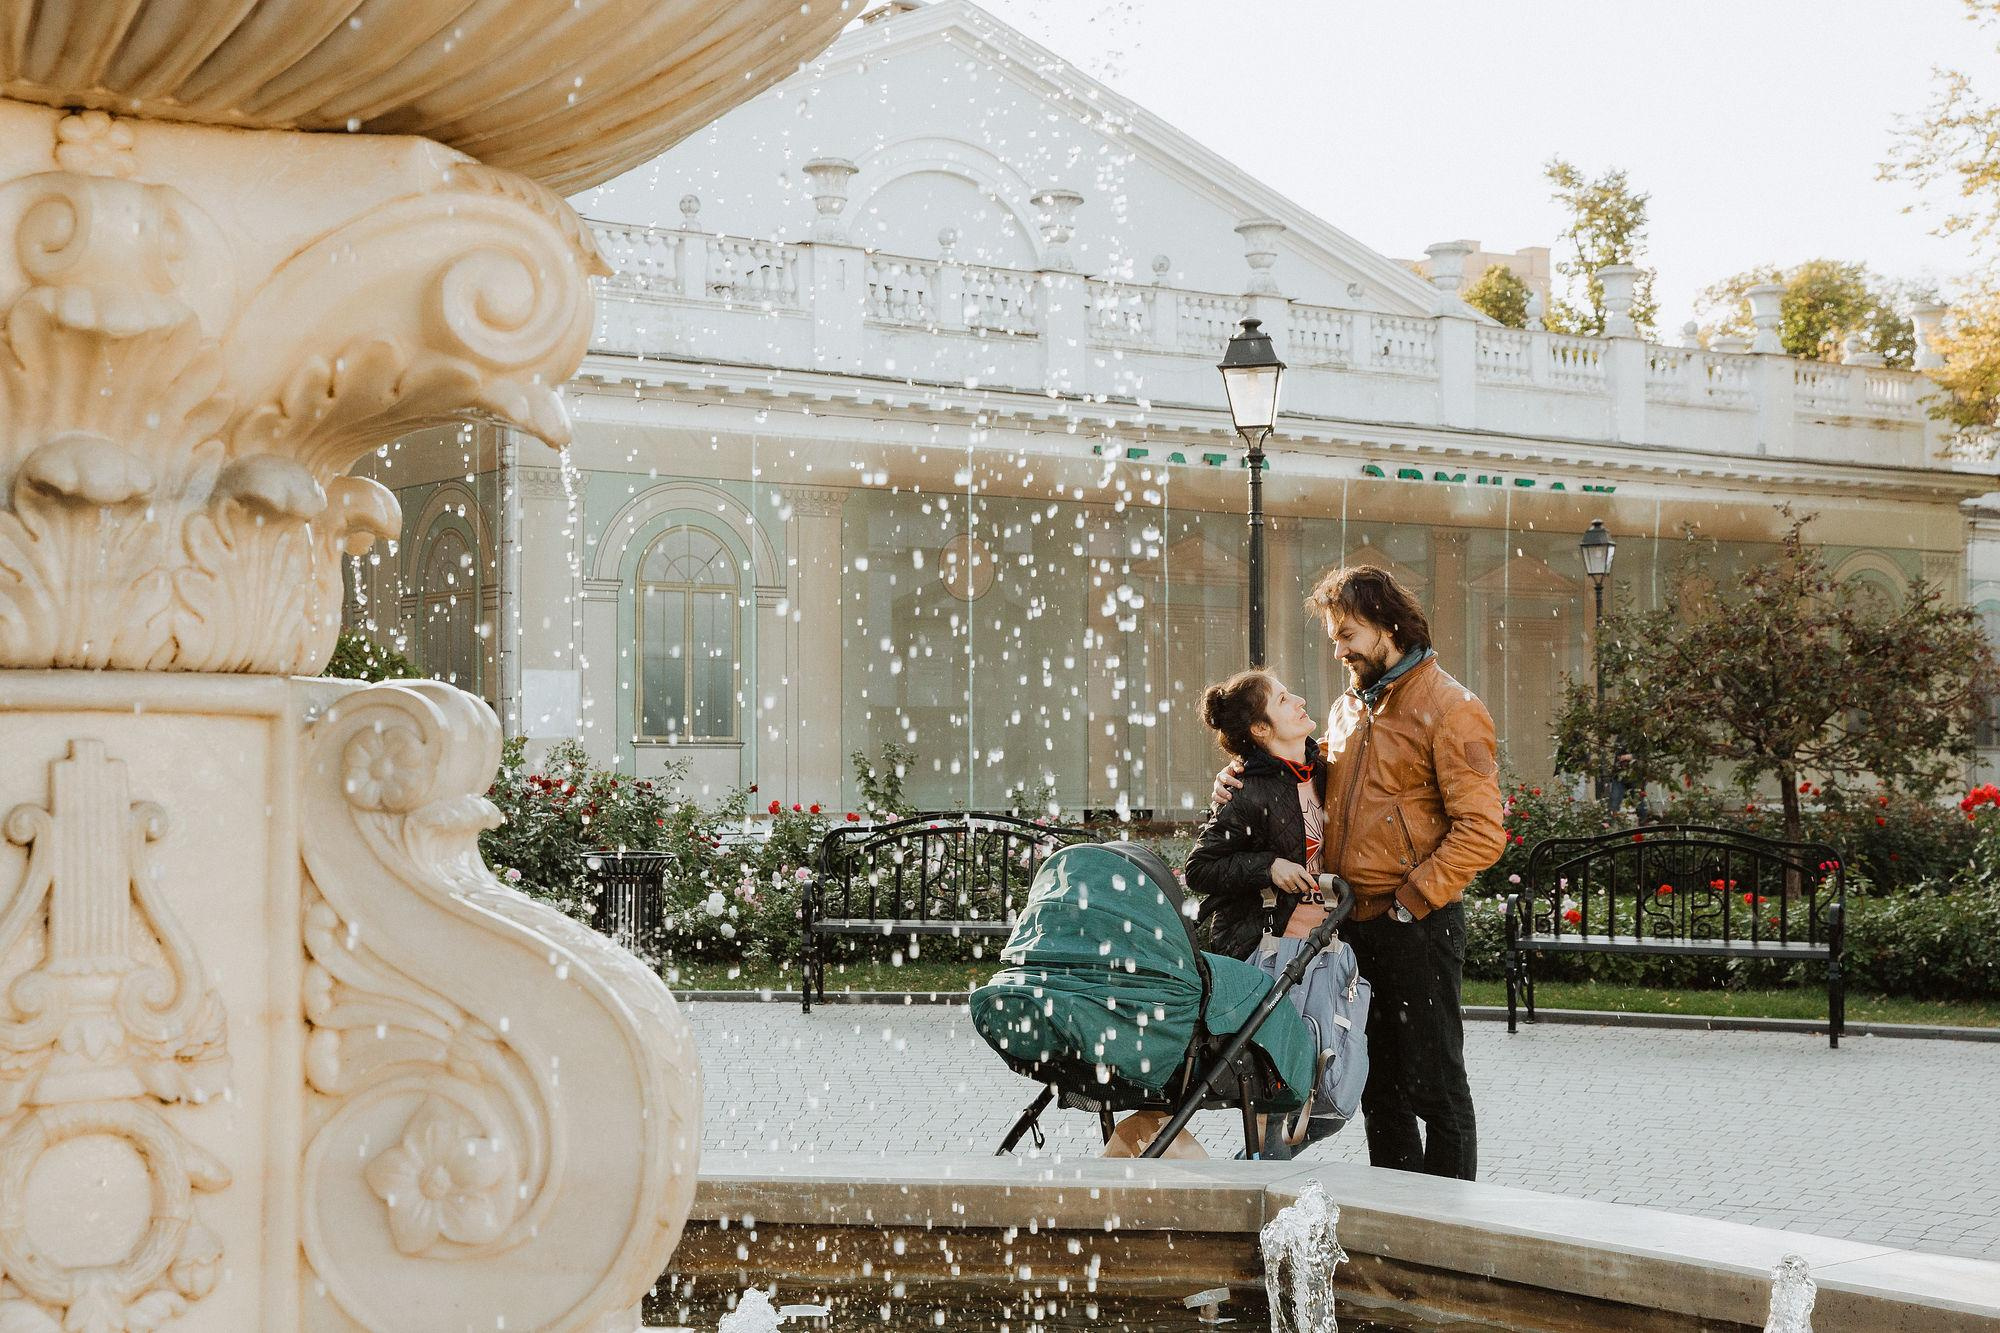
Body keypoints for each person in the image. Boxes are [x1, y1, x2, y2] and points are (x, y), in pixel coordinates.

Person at [1213, 565, 1504, 1180]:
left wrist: (1411, 900)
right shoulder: (1348, 709)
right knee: (1379, 1090)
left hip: (1418, 927)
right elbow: (1309, 779)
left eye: (1347, 635)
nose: (1338, 650)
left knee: (1437, 1088)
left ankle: (1447, 1224)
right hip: (1352, 927)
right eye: (1334, 637)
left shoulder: (1451, 708)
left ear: (1387, 625)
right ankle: (1395, 1219)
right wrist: (1241, 772)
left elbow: (1482, 831)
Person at [1183, 670, 1331, 960]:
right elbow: (1199, 869)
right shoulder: (1244, 790)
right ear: (1261, 728)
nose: (1300, 701)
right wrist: (1269, 867)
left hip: (1331, 942)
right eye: (1283, 699)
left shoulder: (1329, 773)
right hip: (1271, 950)